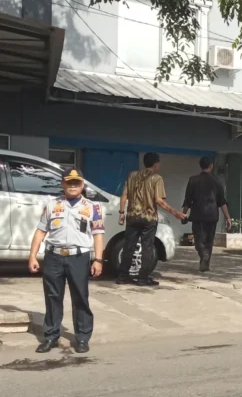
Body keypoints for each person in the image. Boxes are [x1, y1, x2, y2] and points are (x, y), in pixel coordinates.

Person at [28, 169, 105, 354]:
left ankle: (82, 338)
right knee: (53, 297)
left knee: (80, 297)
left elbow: (98, 235)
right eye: (69, 182)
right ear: (62, 184)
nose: (72, 186)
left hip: (79, 257)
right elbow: (40, 231)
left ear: (82, 185)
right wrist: (32, 255)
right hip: (53, 256)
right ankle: (51, 336)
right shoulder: (52, 205)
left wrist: (99, 260)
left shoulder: (93, 207)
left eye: (76, 183)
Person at [118, 152, 185, 286]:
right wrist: (175, 212)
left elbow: (124, 195)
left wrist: (121, 213)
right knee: (147, 247)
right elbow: (158, 200)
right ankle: (143, 278)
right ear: (156, 164)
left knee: (128, 246)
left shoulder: (132, 175)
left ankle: (122, 277)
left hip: (132, 216)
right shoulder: (156, 178)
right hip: (148, 218)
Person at [181, 157, 232, 273]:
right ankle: (205, 264)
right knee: (209, 241)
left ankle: (203, 254)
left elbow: (187, 200)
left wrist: (183, 214)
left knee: (199, 240)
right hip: (212, 215)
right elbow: (222, 202)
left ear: (201, 166)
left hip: (198, 215)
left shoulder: (193, 180)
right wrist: (228, 217)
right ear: (211, 166)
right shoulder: (217, 181)